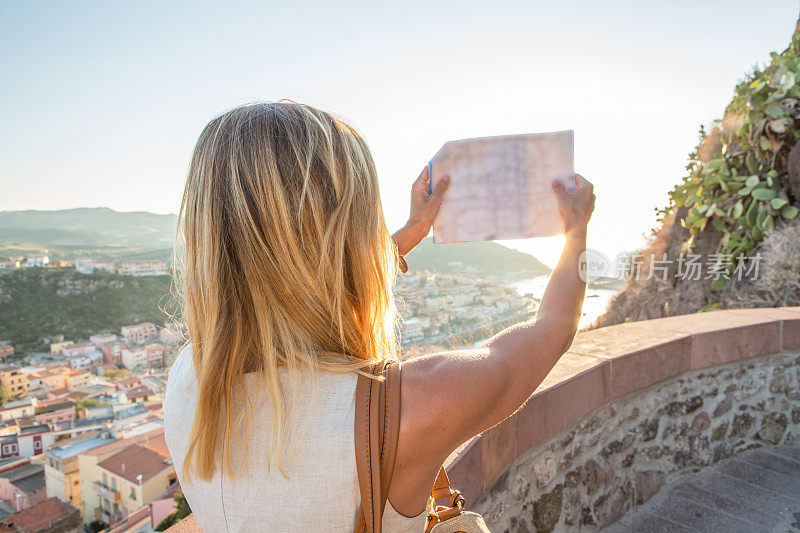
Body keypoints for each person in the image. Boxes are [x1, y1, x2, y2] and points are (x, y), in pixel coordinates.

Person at [164, 102, 595, 532]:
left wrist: (411, 230)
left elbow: (291, 282)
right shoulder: (411, 408)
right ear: (353, 221)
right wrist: (576, 230)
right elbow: (551, 328)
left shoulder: (187, 381)